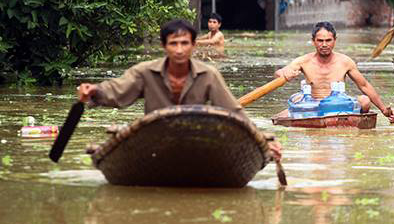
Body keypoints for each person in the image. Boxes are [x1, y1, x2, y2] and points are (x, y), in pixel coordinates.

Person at [76, 19, 281, 160]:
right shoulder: (145, 71)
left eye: (185, 43)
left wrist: (261, 141)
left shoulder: (208, 74)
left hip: (196, 139)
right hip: (154, 140)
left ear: (193, 45)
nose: (180, 49)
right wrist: (93, 91)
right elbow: (117, 90)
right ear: (164, 46)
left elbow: (233, 112)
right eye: (174, 44)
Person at [274, 21, 394, 124]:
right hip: (313, 106)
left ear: (335, 40)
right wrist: (284, 74)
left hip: (339, 106)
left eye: (328, 40)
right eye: (320, 41)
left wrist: (384, 109)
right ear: (313, 41)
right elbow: (280, 72)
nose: (324, 44)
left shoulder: (345, 61)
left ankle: (352, 125)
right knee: (285, 112)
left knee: (364, 101)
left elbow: (364, 86)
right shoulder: (304, 61)